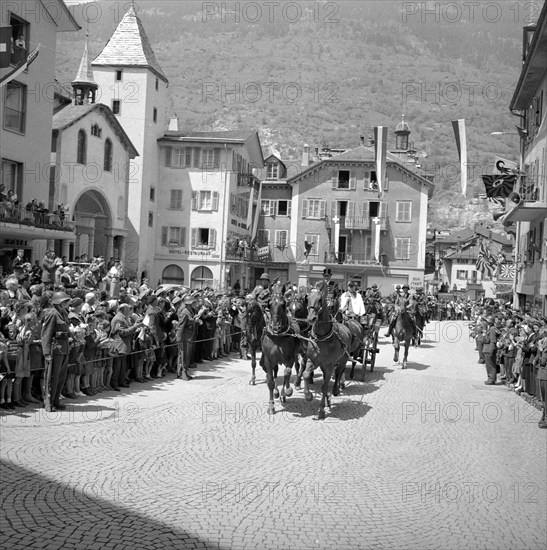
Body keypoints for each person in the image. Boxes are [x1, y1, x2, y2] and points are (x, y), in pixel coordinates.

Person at [41, 291, 71, 411]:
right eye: (64, 301)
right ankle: (48, 403)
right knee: (51, 377)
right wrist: (46, 352)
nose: (67, 303)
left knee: (61, 377)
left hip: (64, 349)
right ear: (58, 302)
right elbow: (46, 334)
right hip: (55, 349)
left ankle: (56, 400)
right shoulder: (52, 314)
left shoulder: (63, 313)